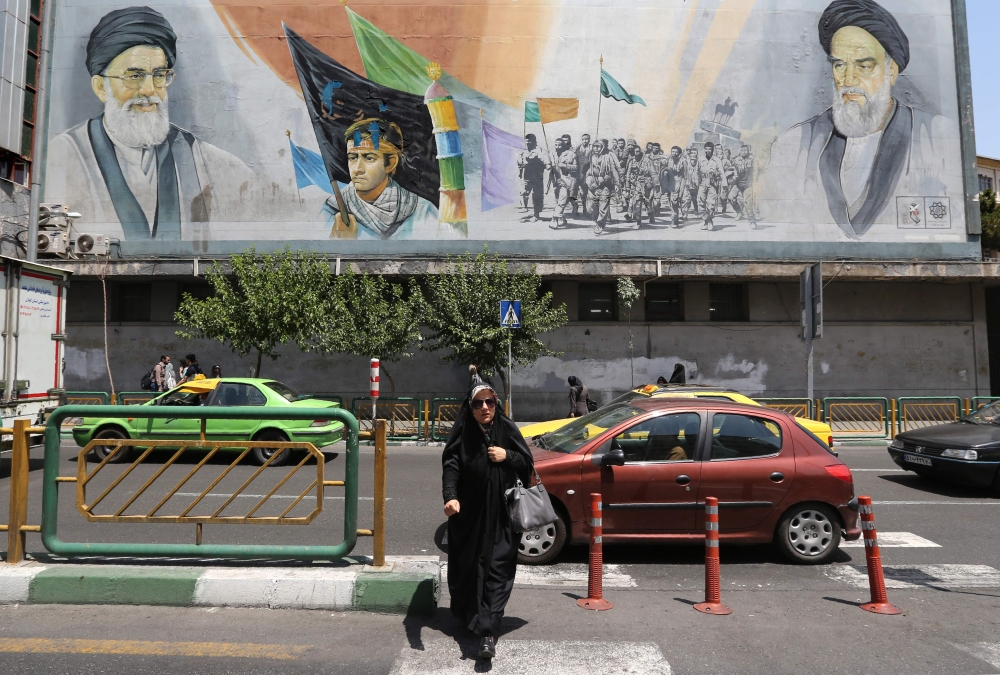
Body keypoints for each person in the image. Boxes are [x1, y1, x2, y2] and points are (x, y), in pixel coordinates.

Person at [46, 6, 254, 240]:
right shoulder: (62, 156)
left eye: (159, 75)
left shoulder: (213, 165)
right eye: (134, 76)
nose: (149, 90)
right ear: (101, 87)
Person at [761, 0, 960, 239]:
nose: (848, 79)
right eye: (839, 65)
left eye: (864, 66)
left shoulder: (938, 137)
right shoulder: (793, 145)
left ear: (892, 71)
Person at [442, 383, 533, 660]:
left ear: (496, 404)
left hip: (502, 517)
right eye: (478, 403)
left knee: (497, 570)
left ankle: (487, 633)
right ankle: (470, 616)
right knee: (469, 569)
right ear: (469, 408)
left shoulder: (507, 429)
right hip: (469, 517)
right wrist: (451, 497)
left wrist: (507, 456)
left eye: (489, 402)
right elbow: (451, 466)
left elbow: (527, 464)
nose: (484, 408)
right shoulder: (463, 434)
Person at [323, 117, 438, 239]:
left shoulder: (423, 212)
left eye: (369, 158)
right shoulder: (331, 210)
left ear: (390, 163)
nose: (357, 169)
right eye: (353, 157)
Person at [586, 140, 621, 235]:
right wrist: (588, 179)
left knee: (603, 206)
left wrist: (617, 184)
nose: (596, 148)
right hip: (593, 184)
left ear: (602, 148)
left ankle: (600, 224)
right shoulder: (590, 157)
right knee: (591, 207)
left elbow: (613, 171)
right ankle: (596, 219)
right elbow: (585, 169)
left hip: (605, 184)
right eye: (595, 146)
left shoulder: (608, 157)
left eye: (599, 146)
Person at [548, 134, 578, 230]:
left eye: (560, 145)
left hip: (566, 181)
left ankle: (554, 218)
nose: (558, 147)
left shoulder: (571, 154)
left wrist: (565, 166)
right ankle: (562, 219)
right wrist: (548, 166)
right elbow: (548, 163)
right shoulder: (551, 153)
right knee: (559, 200)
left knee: (562, 200)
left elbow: (576, 167)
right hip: (556, 180)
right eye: (556, 145)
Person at [697, 142, 728, 231]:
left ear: (712, 150)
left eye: (710, 149)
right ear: (704, 149)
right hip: (703, 182)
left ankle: (709, 221)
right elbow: (697, 172)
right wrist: (696, 182)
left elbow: (721, 173)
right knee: (701, 202)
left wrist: (724, 184)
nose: (708, 151)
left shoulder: (717, 160)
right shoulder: (701, 159)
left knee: (711, 204)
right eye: (706, 149)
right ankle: (706, 221)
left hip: (712, 183)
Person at [517, 134, 548, 222]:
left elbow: (546, 162)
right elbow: (520, 164)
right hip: (526, 176)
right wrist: (520, 172)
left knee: (537, 195)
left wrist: (537, 161)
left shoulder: (541, 151)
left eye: (530, 141)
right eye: (527, 141)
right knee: (524, 193)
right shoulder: (523, 152)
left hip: (537, 176)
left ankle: (536, 214)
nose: (528, 143)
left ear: (534, 141)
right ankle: (526, 211)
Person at [662, 146, 688, 228]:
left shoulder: (683, 161)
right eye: (672, 151)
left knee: (681, 200)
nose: (674, 153)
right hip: (671, 181)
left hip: (680, 181)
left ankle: (682, 215)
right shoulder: (668, 160)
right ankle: (674, 219)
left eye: (676, 152)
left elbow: (686, 174)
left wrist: (684, 185)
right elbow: (664, 169)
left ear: (679, 153)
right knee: (673, 201)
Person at [574, 134, 592, 216]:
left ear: (589, 140)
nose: (585, 141)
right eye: (583, 139)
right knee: (579, 192)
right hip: (579, 172)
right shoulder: (578, 149)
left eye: (586, 139)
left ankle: (587, 209)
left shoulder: (592, 148)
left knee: (587, 192)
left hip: (588, 172)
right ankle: (577, 209)